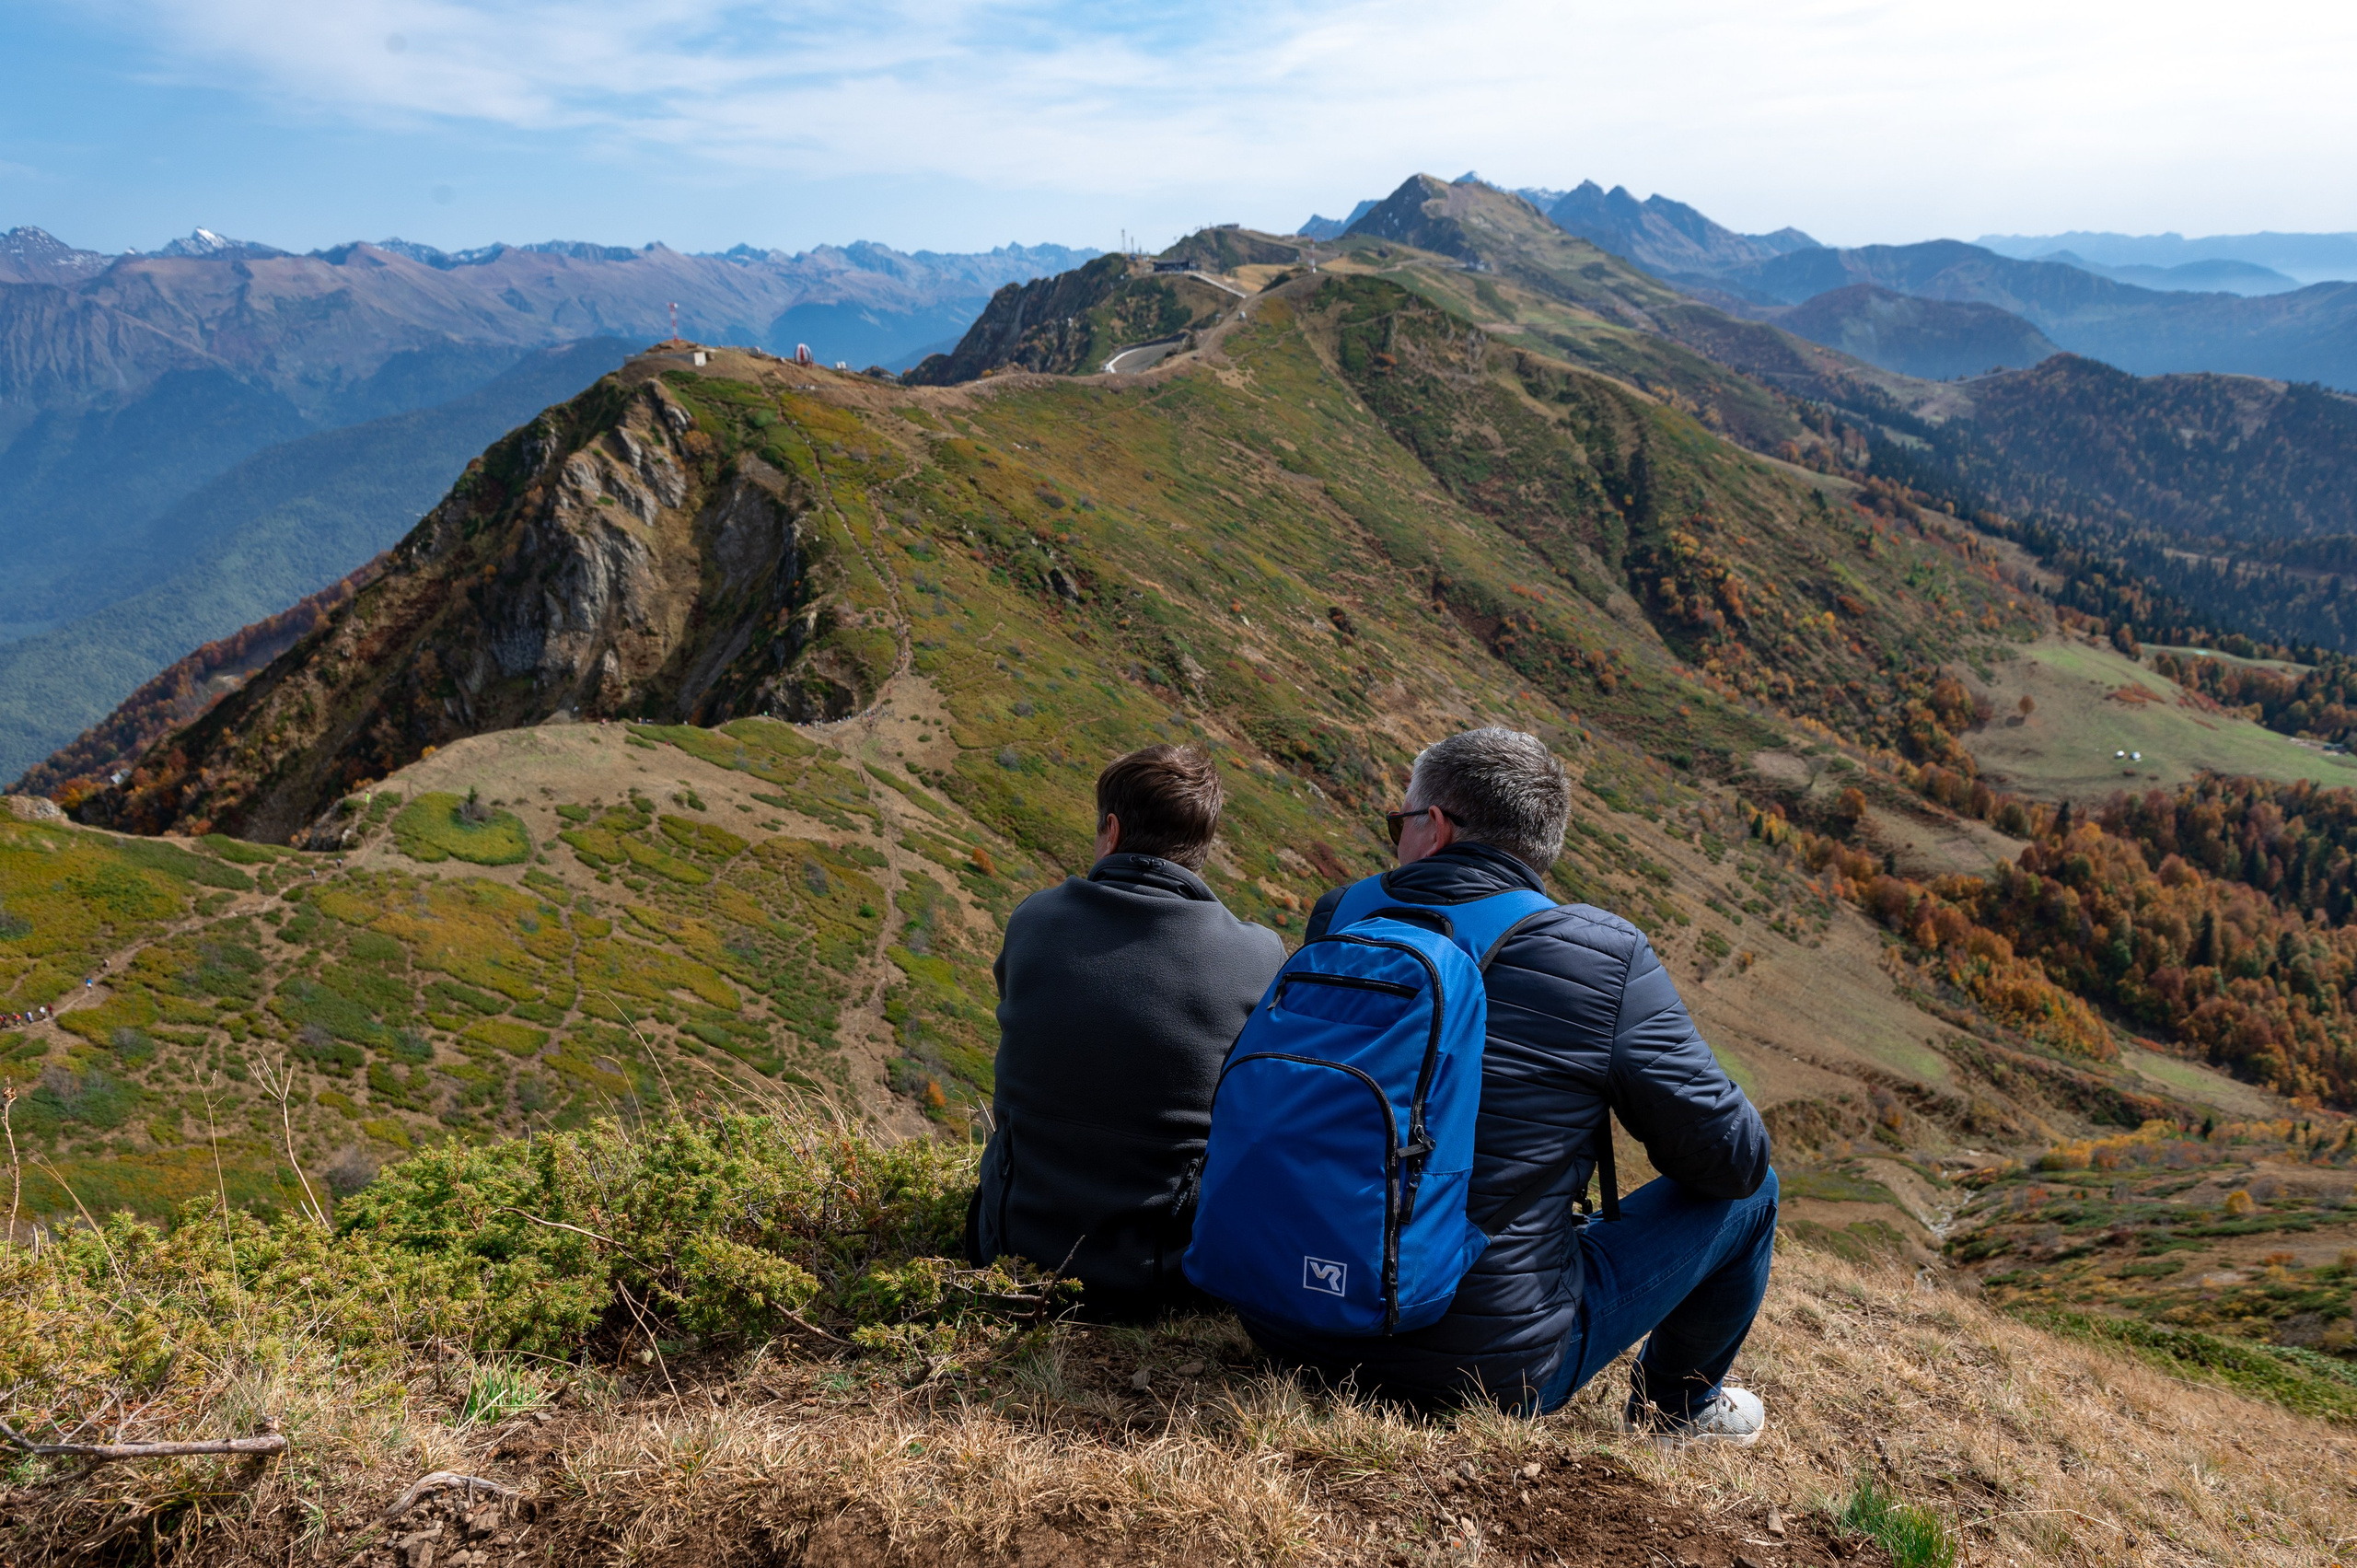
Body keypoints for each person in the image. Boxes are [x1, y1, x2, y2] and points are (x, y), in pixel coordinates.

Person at [1251, 726, 1776, 1441]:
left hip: (1286, 1317)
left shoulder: (1340, 914)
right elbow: (1732, 1160)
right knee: (1757, 1191)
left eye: (1400, 822)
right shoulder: (1601, 955)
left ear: (1436, 828)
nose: (1397, 839)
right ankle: (1676, 1411)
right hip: (1480, 1371)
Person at [966, 743, 1286, 1318]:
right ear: (1201, 847)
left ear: (1111, 831)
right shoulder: (1256, 955)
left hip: (1010, 1251)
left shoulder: (1034, 920)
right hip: (1160, 1282)